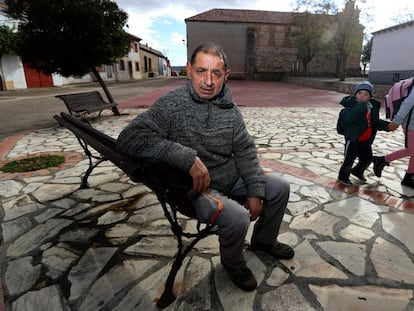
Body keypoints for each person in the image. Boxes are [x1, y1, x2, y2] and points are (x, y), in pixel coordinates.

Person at [117, 42, 294, 291]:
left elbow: (244, 150)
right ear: (189, 70)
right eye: (201, 71)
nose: (208, 81)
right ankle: (233, 263)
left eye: (216, 73)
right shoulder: (172, 105)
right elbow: (129, 138)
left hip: (229, 177)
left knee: (279, 186)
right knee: (238, 216)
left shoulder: (230, 110)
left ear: (226, 76)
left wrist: (254, 190)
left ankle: (264, 241)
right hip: (197, 188)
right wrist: (186, 158)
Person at [337, 81, 391, 186]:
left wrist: (387, 126)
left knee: (367, 158)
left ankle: (357, 170)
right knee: (349, 160)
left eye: (366, 94)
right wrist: (360, 106)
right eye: (360, 93)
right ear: (355, 94)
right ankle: (343, 176)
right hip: (353, 139)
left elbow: (374, 122)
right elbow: (349, 120)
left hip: (366, 139)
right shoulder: (350, 107)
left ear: (370, 97)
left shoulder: (371, 108)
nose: (362, 96)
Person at [373, 86, 414, 188]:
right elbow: (407, 103)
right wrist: (397, 121)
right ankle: (382, 160)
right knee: (412, 150)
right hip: (411, 125)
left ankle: (409, 177)